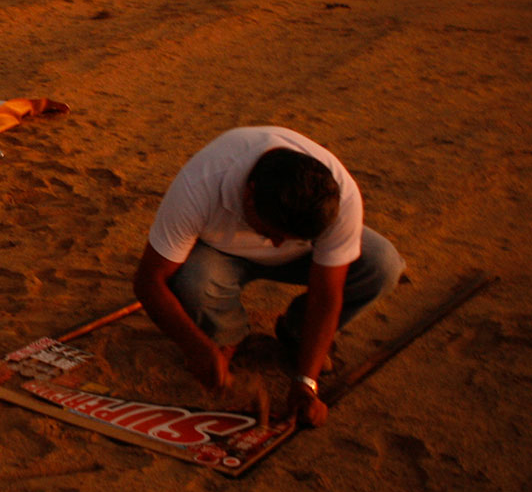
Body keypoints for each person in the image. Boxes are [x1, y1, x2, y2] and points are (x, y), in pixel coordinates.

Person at [132, 126, 404, 427]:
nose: (275, 245)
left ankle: (296, 333)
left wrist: (306, 384)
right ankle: (228, 341)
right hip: (221, 254)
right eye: (270, 232)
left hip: (303, 260)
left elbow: (328, 294)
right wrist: (195, 345)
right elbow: (149, 281)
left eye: (289, 238)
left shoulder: (337, 197)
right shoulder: (200, 184)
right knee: (194, 281)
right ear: (248, 195)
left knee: (381, 264)